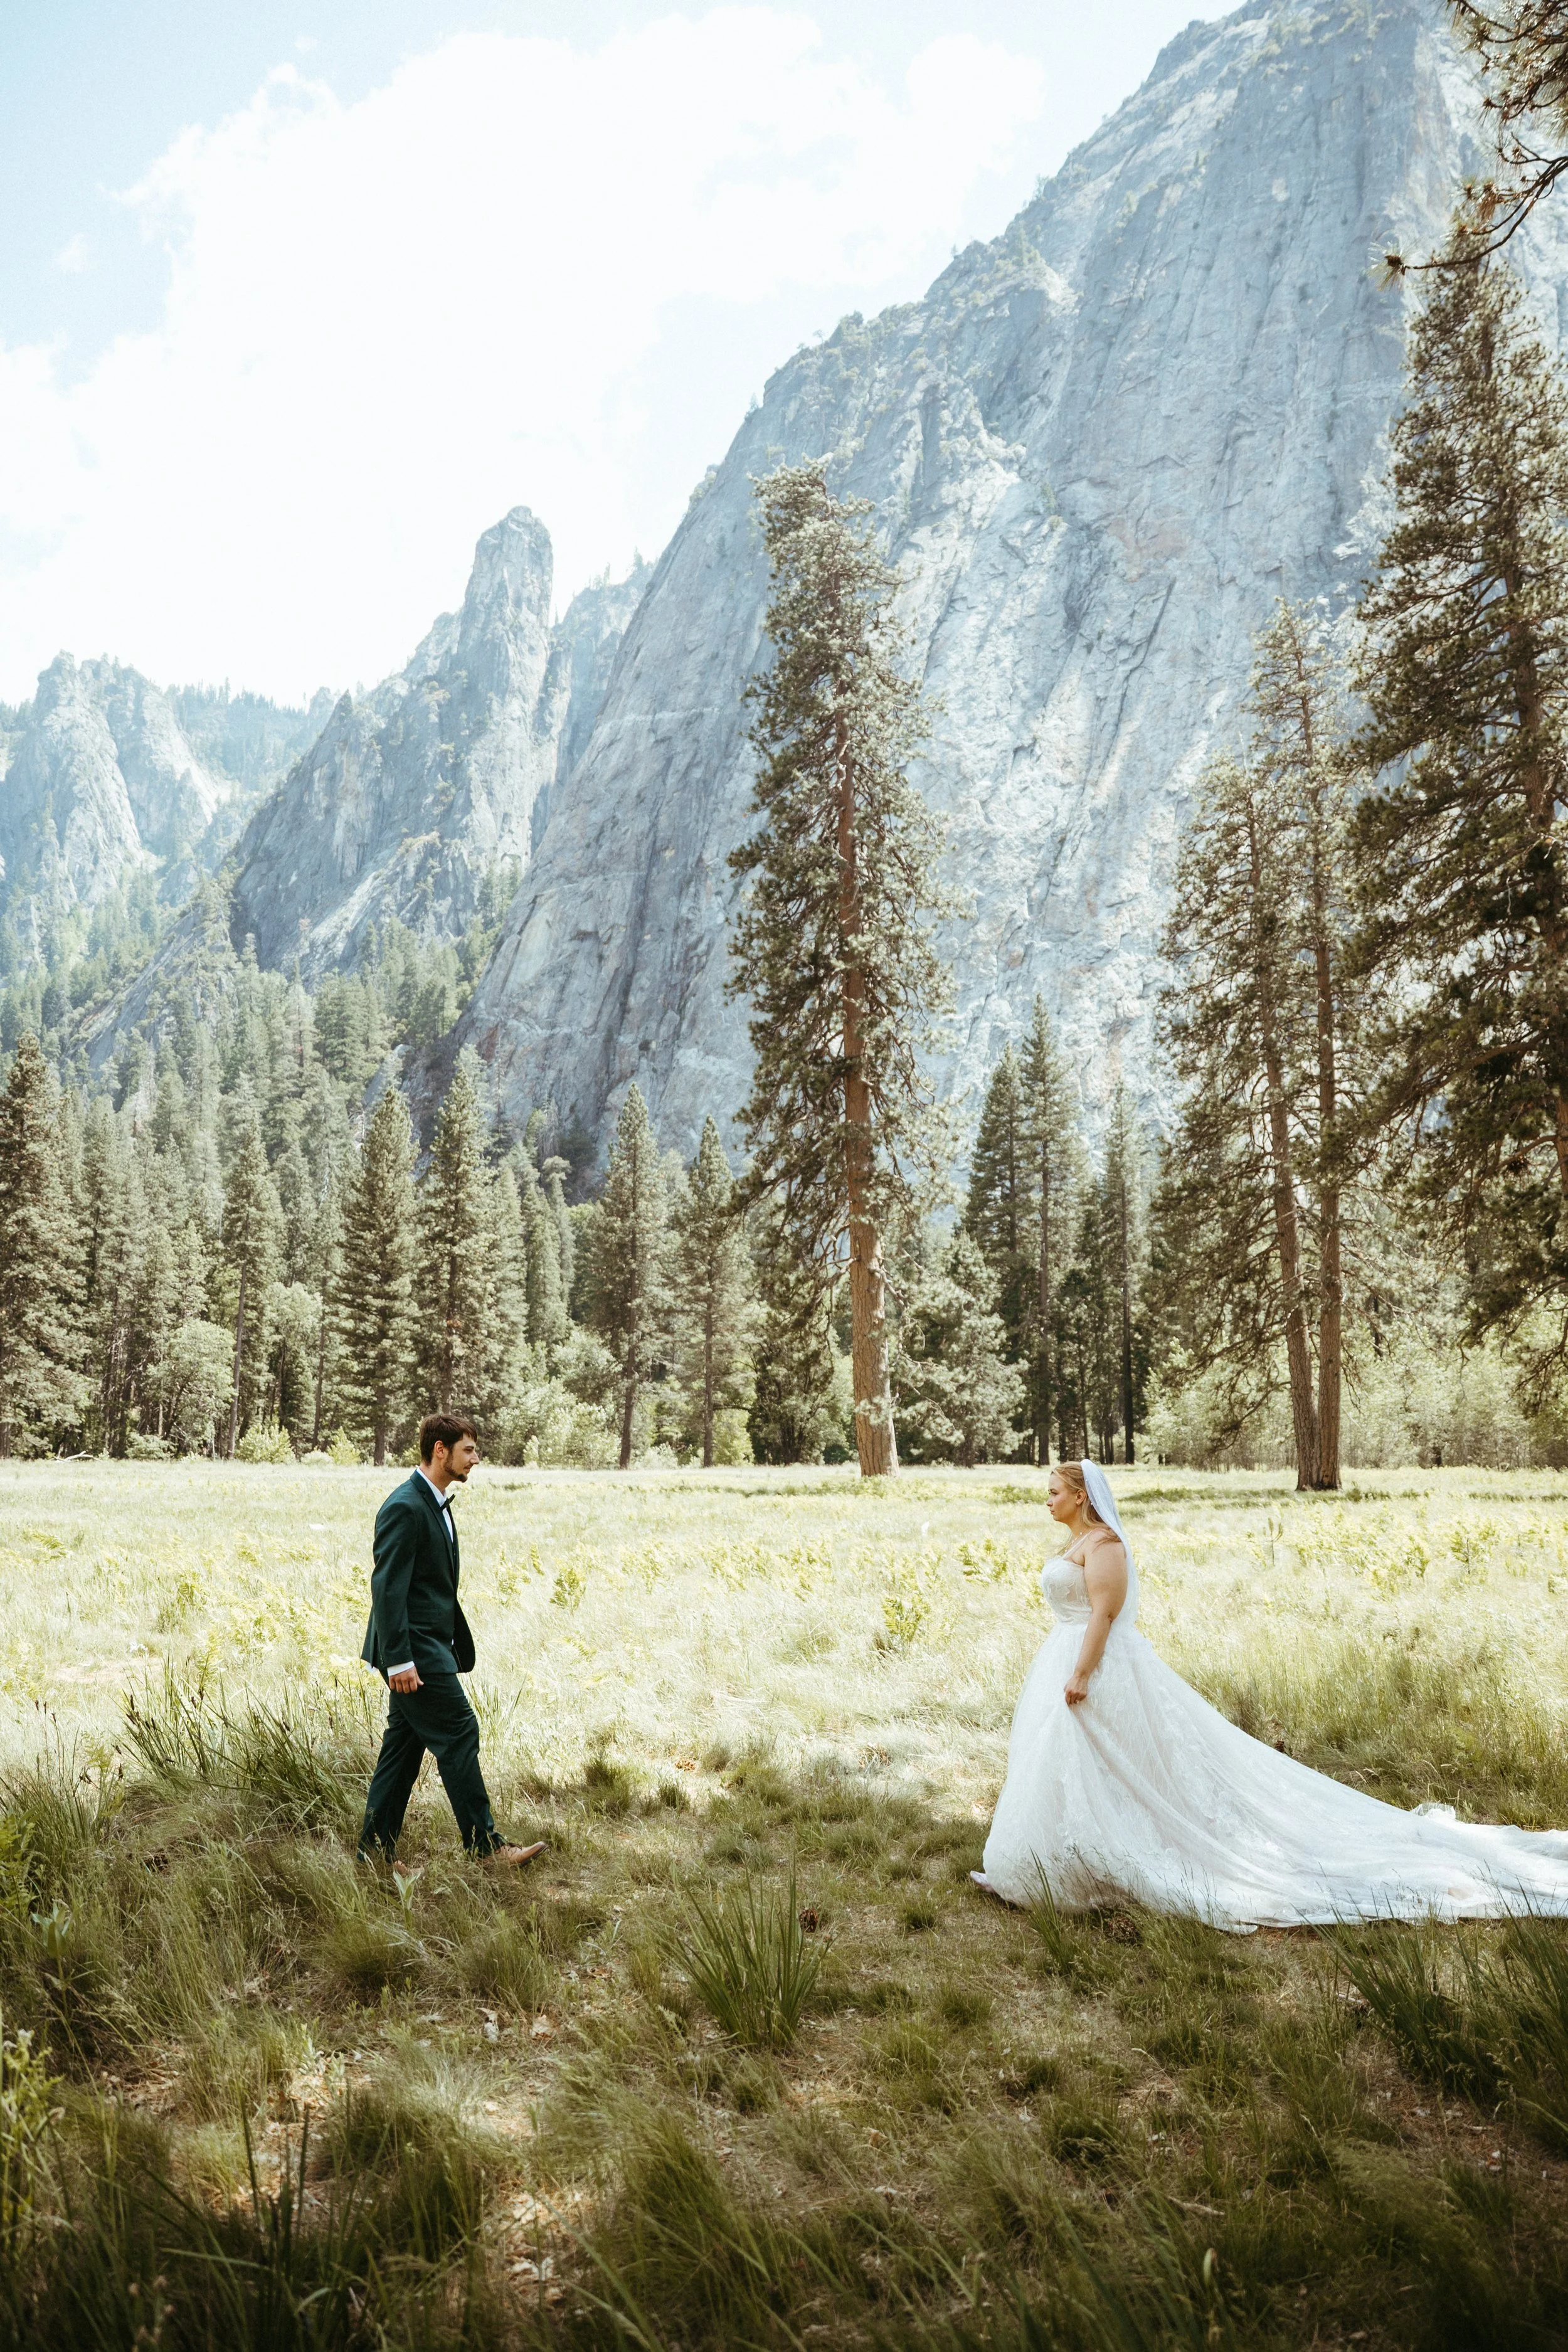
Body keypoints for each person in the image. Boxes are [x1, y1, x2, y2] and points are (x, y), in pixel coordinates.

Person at [974, 1458, 1568, 1931]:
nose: (1046, 1500)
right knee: (1062, 1764)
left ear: (1080, 1496)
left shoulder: (1105, 1546)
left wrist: (1081, 1674)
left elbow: (1104, 1614)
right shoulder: (1076, 1543)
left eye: (1053, 1491)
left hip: (1095, 1666)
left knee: (1112, 1764)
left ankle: (1098, 1864)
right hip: (1066, 1654)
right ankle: (1049, 1860)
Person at [358, 1411, 544, 1871]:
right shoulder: (405, 1505)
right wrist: (399, 1659)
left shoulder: (435, 1500)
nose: (476, 1459)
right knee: (460, 1731)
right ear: (440, 1451)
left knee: (401, 1752)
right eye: (468, 1450)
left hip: (429, 1647)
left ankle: (374, 1856)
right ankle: (487, 1850)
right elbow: (387, 1588)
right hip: (414, 1652)